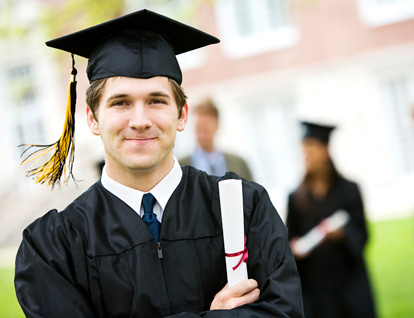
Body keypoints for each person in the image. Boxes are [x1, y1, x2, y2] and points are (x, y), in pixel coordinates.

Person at [14, 9, 304, 318]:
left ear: (181, 115)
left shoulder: (244, 208)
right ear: (92, 119)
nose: (140, 121)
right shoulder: (54, 248)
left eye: (156, 100)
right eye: (120, 102)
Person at [286, 121, 376, 318]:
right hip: (316, 288)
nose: (306, 155)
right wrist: (294, 248)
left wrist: (343, 235)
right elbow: (289, 240)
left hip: (349, 283)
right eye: (304, 150)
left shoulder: (349, 190)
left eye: (311, 149)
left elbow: (363, 236)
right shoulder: (296, 198)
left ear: (325, 150)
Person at [179, 98, 252, 180]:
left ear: (217, 126)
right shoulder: (180, 168)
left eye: (206, 129)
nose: (202, 135)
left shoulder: (239, 164)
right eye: (198, 129)